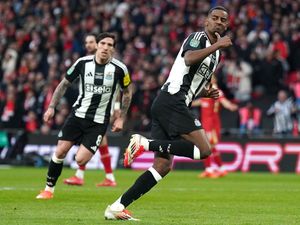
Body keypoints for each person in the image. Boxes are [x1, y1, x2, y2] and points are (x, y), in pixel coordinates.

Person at [104, 6, 232, 220]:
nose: (218, 22)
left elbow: (192, 78)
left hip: (171, 102)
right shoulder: (198, 38)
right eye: (214, 18)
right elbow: (189, 59)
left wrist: (205, 92)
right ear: (206, 21)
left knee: (162, 166)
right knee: (204, 150)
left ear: (226, 25)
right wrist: (217, 44)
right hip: (172, 100)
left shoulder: (216, 54)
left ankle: (117, 206)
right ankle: (145, 144)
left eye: (223, 20)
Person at [36, 32, 132, 199]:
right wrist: (51, 107)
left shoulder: (120, 69)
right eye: (103, 43)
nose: (105, 47)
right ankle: (48, 189)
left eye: (110, 45)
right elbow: (63, 84)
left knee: (80, 160)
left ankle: (99, 176)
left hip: (98, 122)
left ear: (113, 49)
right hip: (77, 116)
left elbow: (127, 93)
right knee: (60, 151)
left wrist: (121, 116)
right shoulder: (82, 63)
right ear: (97, 45)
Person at [63, 33, 120, 187]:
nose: (88, 45)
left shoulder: (112, 66)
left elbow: (121, 90)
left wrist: (116, 109)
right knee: (102, 143)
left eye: (91, 42)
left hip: (100, 111)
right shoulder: (85, 63)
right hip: (87, 109)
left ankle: (86, 176)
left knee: (97, 141)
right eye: (86, 42)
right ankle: (106, 177)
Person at [192, 75, 238, 178]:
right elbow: (202, 102)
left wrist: (230, 106)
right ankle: (218, 169)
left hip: (212, 124)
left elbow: (223, 100)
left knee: (207, 146)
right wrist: (189, 103)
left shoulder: (216, 90)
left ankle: (212, 169)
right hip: (205, 123)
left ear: (214, 79)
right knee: (208, 147)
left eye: (210, 77)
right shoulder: (206, 90)